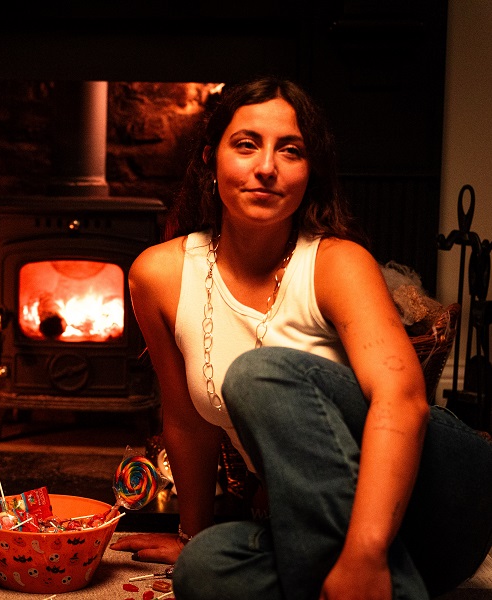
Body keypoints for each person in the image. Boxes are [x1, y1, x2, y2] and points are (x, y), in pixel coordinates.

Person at [110, 77, 492, 599]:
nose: (266, 167)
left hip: (439, 497)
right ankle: (380, 584)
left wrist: (364, 552)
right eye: (246, 145)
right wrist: (190, 533)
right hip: (315, 519)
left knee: (258, 373)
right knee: (204, 569)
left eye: (290, 151)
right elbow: (186, 422)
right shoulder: (158, 274)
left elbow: (404, 402)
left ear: (311, 174)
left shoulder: (337, 263)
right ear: (209, 158)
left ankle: (367, 572)